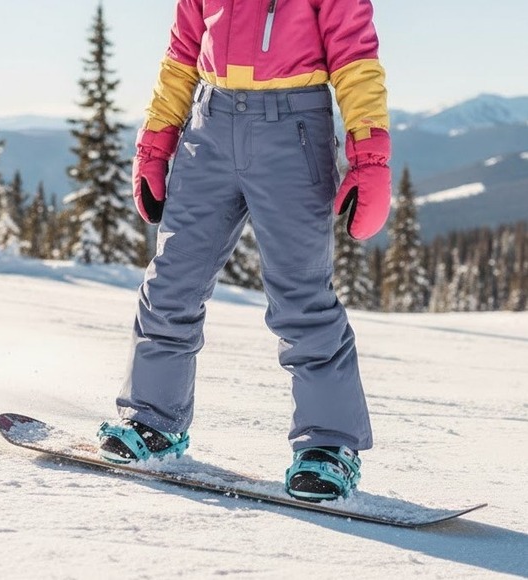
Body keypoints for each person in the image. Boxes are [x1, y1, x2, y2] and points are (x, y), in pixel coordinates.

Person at [98, 0, 391, 502]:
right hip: (207, 128)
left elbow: (354, 57)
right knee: (172, 281)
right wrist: (156, 144)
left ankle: (328, 445)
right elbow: (182, 54)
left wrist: (370, 158)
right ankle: (154, 420)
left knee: (300, 296)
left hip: (294, 132)